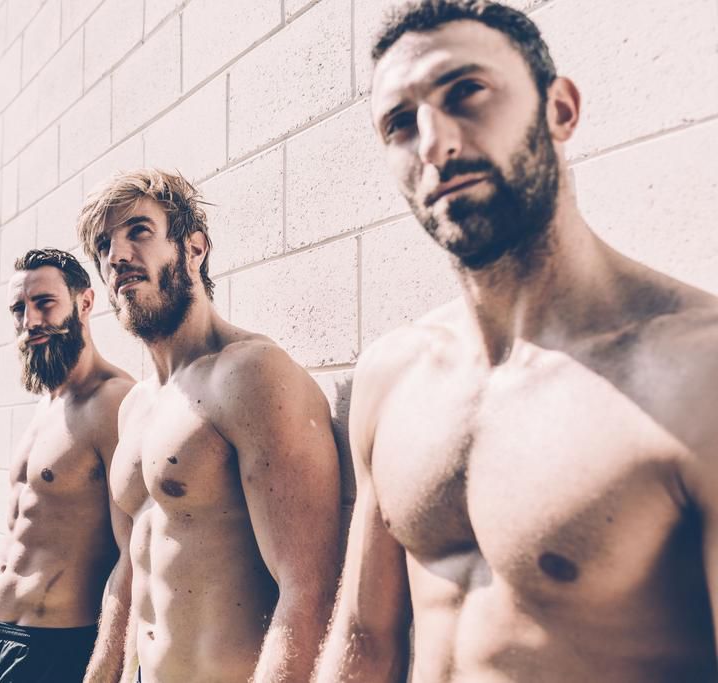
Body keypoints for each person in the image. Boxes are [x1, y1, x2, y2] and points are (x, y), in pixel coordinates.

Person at [315, 1, 718, 681]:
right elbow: (364, 639)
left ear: (559, 109)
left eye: (466, 91)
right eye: (400, 124)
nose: (435, 141)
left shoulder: (696, 375)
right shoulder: (394, 375)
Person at [75, 169, 342, 682]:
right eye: (104, 244)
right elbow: (130, 571)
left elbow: (310, 589)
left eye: (139, 231)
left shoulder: (250, 375)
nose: (117, 255)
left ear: (193, 249)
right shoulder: (134, 407)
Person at [0, 248, 134, 683]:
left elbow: (134, 557)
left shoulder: (114, 402)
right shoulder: (45, 403)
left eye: (44, 303)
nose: (30, 321)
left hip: (52, 651)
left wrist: (105, 671)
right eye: (19, 309)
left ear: (85, 302)